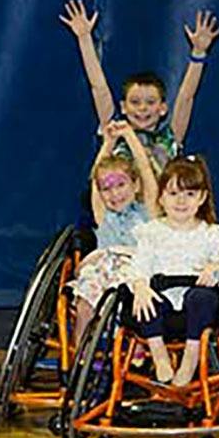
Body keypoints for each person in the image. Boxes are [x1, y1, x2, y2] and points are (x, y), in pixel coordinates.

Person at [59, 0, 219, 176]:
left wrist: (198, 53)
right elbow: (99, 87)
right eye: (135, 102)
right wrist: (84, 39)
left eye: (150, 102)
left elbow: (186, 97)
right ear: (123, 107)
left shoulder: (170, 138)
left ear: (163, 108)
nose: (143, 108)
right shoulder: (115, 133)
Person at [124, 155, 219, 388]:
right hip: (161, 300)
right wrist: (140, 286)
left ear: (202, 198)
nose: (181, 201)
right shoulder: (151, 232)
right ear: (161, 198)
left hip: (197, 302)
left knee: (201, 297)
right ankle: (159, 354)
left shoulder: (212, 233)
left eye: (190, 194)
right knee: (145, 300)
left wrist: (216, 268)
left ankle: (191, 357)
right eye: (173, 193)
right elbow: (139, 266)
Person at [71, 120, 161, 342]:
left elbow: (145, 169)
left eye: (121, 185)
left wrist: (129, 135)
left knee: (135, 300)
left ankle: (135, 346)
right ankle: (80, 352)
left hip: (135, 271)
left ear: (135, 185)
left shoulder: (148, 212)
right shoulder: (104, 215)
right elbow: (95, 178)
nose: (114, 194)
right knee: (84, 300)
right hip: (104, 268)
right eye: (107, 189)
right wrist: (108, 142)